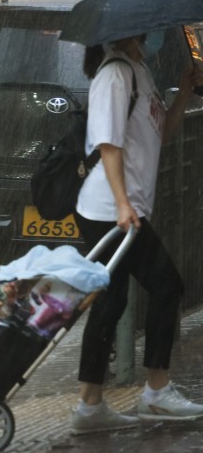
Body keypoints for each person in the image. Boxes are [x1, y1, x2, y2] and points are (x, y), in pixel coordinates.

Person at [68, 33, 203, 435]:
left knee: (111, 303)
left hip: (124, 209)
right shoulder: (114, 74)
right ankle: (156, 391)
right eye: (142, 29)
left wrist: (186, 88)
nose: (149, 34)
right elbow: (108, 145)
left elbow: (160, 135)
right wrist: (124, 203)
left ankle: (90, 406)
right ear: (125, 32)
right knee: (167, 286)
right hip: (108, 210)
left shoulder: (139, 71)